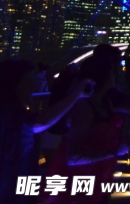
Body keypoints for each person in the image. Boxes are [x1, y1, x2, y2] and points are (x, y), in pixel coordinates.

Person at [47, 55, 130, 204]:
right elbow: (73, 158)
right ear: (106, 76)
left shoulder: (104, 102)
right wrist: (113, 153)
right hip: (78, 181)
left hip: (97, 176)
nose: (117, 75)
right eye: (114, 71)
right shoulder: (84, 108)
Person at [0, 60, 93, 204]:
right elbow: (41, 122)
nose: (32, 87)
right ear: (13, 85)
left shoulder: (9, 111)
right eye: (27, 83)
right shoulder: (10, 113)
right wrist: (76, 94)